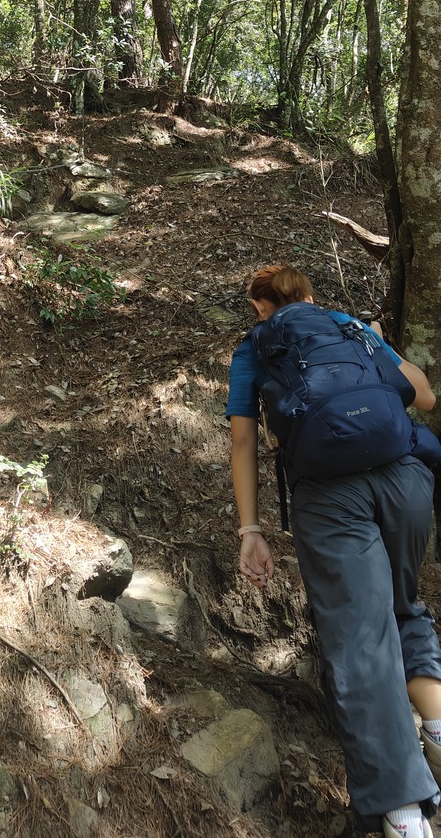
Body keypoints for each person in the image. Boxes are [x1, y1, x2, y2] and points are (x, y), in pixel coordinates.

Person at [228, 263, 441, 838]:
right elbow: (423, 396)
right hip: (406, 480)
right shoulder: (351, 328)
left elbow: (244, 438)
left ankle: (403, 815)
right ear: (309, 296)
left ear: (260, 307)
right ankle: (439, 729)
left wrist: (252, 529)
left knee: (359, 639)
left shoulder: (256, 347)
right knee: (402, 608)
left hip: (329, 496)